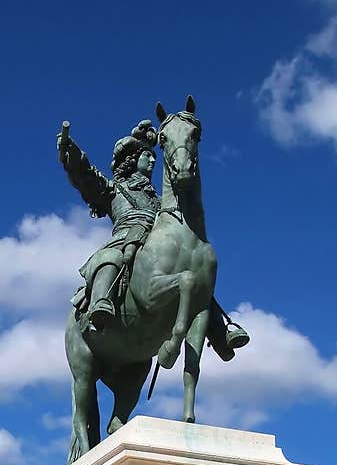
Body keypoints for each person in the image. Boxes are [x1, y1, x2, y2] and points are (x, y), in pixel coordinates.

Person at [58, 121, 249, 358]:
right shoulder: (114, 189)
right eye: (146, 156)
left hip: (159, 243)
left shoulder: (160, 201)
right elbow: (86, 175)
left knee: (197, 278)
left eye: (153, 156)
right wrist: (71, 153)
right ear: (131, 159)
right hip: (125, 238)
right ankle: (101, 303)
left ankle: (220, 331)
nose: (152, 160)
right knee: (109, 258)